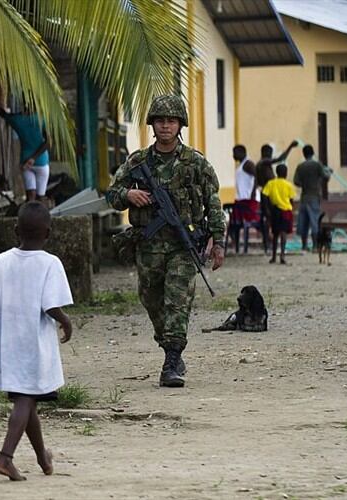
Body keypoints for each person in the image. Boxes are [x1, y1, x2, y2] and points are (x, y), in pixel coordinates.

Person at [105, 95, 226, 388]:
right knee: (150, 297)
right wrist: (128, 195)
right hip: (148, 244)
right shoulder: (138, 161)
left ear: (180, 125)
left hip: (183, 245)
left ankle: (172, 360)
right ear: (152, 125)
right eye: (160, 121)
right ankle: (169, 344)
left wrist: (218, 241)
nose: (165, 126)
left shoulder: (195, 163)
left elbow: (213, 202)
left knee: (177, 299)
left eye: (171, 121)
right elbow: (112, 193)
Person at [0, 201, 74, 481]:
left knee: (27, 400)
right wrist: (65, 320)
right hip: (34, 347)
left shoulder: (1, 261)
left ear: (15, 229)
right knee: (26, 398)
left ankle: (43, 457)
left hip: (8, 344)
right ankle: (5, 457)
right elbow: (50, 305)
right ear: (48, 233)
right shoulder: (50, 263)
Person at [0, 90, 51, 203]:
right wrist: (34, 158)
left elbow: (3, 114)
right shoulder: (42, 119)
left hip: (25, 163)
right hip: (41, 162)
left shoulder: (18, 120)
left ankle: (28, 214)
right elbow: (49, 142)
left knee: (30, 198)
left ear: (24, 104)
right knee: (40, 198)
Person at [256, 141, 299, 253]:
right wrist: (290, 147)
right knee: (269, 220)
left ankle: (268, 243)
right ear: (266, 153)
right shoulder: (263, 162)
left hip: (268, 194)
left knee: (270, 220)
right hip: (268, 195)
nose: (271, 156)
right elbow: (280, 159)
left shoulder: (261, 165)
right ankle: (268, 243)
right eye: (270, 153)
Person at [293, 145, 330, 251]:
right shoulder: (317, 165)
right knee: (314, 221)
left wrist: (304, 184)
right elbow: (325, 176)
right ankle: (315, 245)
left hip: (304, 196)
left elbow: (296, 181)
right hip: (314, 196)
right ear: (313, 153)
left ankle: (304, 245)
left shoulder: (300, 166)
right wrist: (328, 172)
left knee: (303, 221)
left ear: (304, 154)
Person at [263, 164, 296, 264]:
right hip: (286, 210)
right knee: (284, 233)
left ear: (276, 173)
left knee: (275, 233)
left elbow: (264, 195)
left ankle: (273, 257)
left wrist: (267, 209)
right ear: (286, 173)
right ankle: (282, 255)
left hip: (275, 210)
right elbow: (291, 199)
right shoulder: (289, 185)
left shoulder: (271, 183)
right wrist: (291, 209)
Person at [231, 145, 259, 254]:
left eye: (235, 153)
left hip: (248, 200)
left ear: (242, 152)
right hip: (241, 199)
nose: (233, 155)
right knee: (233, 224)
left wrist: (253, 191)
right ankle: (236, 246)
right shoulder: (241, 165)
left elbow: (256, 176)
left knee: (246, 222)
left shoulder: (248, 164)